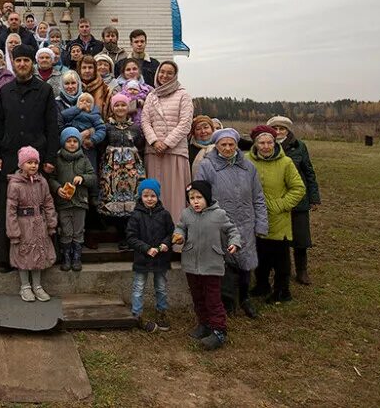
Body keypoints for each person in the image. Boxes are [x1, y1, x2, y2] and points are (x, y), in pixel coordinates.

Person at [0, 44, 59, 272]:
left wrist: (49, 157)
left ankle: (40, 256)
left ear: (33, 63)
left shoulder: (45, 91)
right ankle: (5, 258)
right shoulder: (5, 91)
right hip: (10, 158)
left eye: (26, 61)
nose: (22, 64)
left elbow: (52, 126)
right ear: (14, 63)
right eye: (18, 61)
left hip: (36, 160)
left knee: (36, 210)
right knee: (9, 209)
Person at [194, 128, 268, 319]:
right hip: (220, 222)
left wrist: (261, 224)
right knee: (223, 261)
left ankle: (244, 298)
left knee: (245, 260)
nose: (227, 148)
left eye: (231, 144)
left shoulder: (248, 167)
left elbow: (258, 197)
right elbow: (200, 195)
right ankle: (226, 301)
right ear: (216, 146)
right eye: (223, 145)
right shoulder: (207, 165)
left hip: (245, 221)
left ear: (236, 145)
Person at [172, 181, 242, 351]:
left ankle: (219, 330)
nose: (195, 202)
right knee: (198, 297)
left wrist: (234, 243)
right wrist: (179, 236)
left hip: (211, 264)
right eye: (191, 198)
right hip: (191, 264)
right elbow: (180, 228)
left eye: (199, 198)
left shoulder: (219, 215)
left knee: (213, 298)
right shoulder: (186, 214)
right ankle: (204, 324)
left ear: (207, 198)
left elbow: (232, 230)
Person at [247, 125, 305, 304]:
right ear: (255, 144)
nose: (265, 146)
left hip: (278, 218)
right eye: (261, 143)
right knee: (260, 253)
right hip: (255, 217)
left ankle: (282, 291)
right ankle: (262, 285)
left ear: (274, 142)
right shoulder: (246, 161)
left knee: (280, 258)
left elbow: (298, 188)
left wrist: (280, 205)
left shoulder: (285, 163)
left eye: (269, 142)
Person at [268, 115, 321, 285]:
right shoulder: (266, 146)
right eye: (274, 129)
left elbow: (309, 172)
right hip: (276, 200)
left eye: (281, 128)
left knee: (300, 238)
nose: (278, 132)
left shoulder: (299, 147)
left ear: (288, 130)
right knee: (276, 238)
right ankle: (278, 270)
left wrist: (314, 197)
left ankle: (302, 271)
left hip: (299, 200)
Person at [141, 61, 193, 223]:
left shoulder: (183, 95)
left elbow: (185, 123)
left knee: (175, 195)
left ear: (175, 75)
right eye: (162, 72)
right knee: (153, 195)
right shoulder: (152, 95)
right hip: (154, 152)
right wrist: (154, 141)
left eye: (169, 73)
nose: (164, 76)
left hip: (175, 152)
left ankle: (176, 239)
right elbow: (145, 121)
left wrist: (167, 143)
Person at [6, 146, 58, 302]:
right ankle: (25, 286)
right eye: (29, 162)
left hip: (39, 224)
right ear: (22, 164)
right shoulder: (15, 185)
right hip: (23, 226)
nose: (33, 166)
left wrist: (51, 222)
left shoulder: (42, 182)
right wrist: (14, 232)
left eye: (35, 162)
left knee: (38, 254)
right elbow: (11, 210)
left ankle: (37, 286)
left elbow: (48, 202)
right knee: (24, 255)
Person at [126, 179, 175, 333]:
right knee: (138, 287)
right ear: (141, 196)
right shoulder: (135, 215)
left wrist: (166, 244)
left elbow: (171, 233)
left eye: (153, 196)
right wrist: (146, 249)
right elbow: (131, 237)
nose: (149, 199)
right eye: (146, 195)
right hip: (142, 258)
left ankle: (161, 313)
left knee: (160, 287)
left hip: (161, 258)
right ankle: (137, 314)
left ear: (158, 196)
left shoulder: (165, 214)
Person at [100, 93, 146, 247]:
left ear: (128, 108)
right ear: (113, 108)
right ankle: (121, 235)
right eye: (117, 105)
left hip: (131, 168)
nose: (120, 108)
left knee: (132, 198)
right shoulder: (107, 126)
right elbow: (103, 145)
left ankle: (130, 235)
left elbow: (139, 144)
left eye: (123, 105)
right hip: (113, 168)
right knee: (114, 198)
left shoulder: (135, 127)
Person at [49, 127, 95, 271]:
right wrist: (57, 189)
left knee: (78, 231)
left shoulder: (84, 159)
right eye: (69, 141)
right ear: (63, 143)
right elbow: (51, 178)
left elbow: (93, 177)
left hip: (80, 201)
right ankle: (66, 257)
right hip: (64, 203)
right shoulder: (57, 159)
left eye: (75, 141)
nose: (72, 144)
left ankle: (77, 257)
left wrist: (83, 178)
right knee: (66, 231)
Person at [60, 92, 105, 171]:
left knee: (89, 165)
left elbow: (101, 129)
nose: (84, 103)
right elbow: (63, 115)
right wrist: (77, 108)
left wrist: (92, 140)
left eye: (88, 102)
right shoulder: (73, 111)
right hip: (72, 142)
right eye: (81, 101)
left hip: (86, 145)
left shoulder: (95, 115)